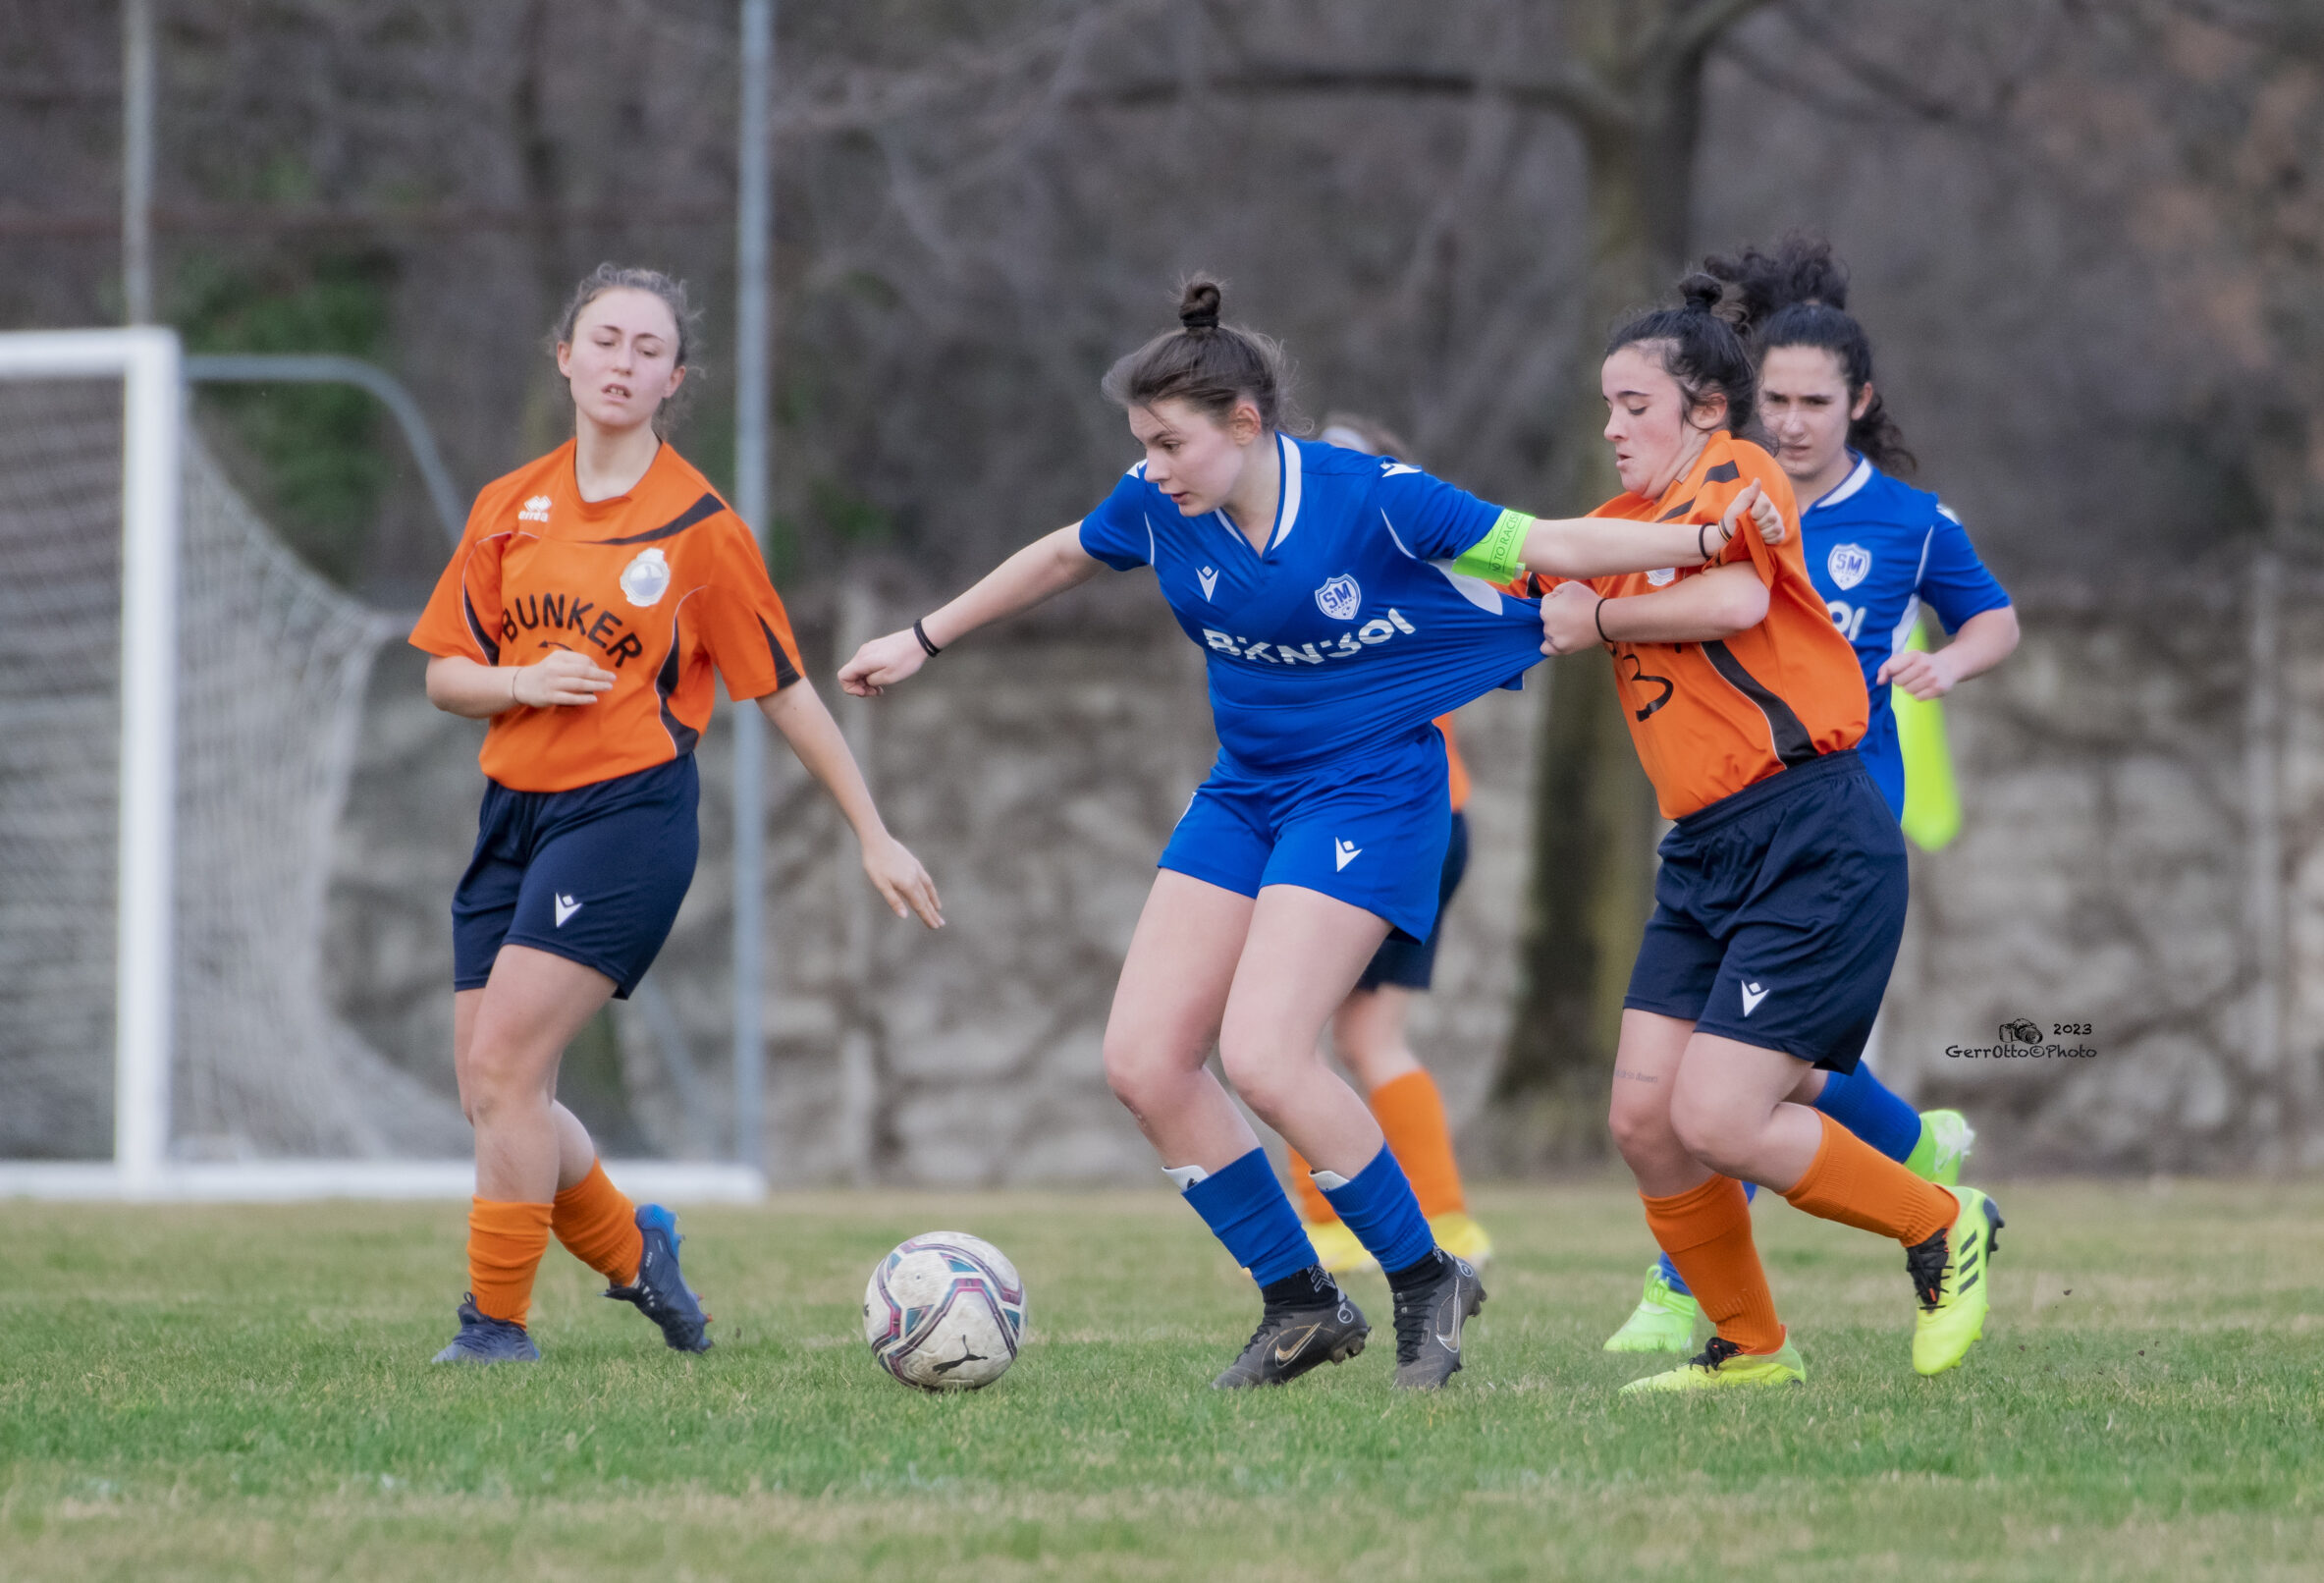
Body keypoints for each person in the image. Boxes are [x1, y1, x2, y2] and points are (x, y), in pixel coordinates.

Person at [838, 277, 1786, 1391]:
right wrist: (923, 637)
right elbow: (1059, 554)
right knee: (1142, 1062)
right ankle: (1300, 1303)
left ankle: (1426, 1273)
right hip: (1247, 790)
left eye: (1170, 443)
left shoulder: (1373, 499)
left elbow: (1551, 544)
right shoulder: (1158, 506)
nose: (1151, 467)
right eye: (1142, 444)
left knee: (1268, 1053)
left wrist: (1709, 532)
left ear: (1246, 423)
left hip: (1372, 790)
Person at [410, 263, 943, 1364]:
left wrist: (872, 831)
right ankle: (637, 1252)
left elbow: (786, 690)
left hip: (627, 818)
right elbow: (444, 675)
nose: (622, 362)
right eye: (604, 340)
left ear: (673, 380)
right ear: (565, 355)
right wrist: (521, 683)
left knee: (509, 1070)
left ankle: (493, 1330)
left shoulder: (701, 529)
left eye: (647, 349)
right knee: (492, 1090)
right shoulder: (509, 507)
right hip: (513, 811)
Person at [1534, 275, 2002, 1392]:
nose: (1609, 428)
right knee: (1645, 1120)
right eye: (1603, 406)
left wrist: (1596, 616)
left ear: (1704, 408)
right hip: (1702, 850)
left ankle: (1940, 1222)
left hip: (1812, 832)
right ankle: (1749, 1349)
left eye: (1632, 405)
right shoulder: (1613, 527)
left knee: (1721, 1113)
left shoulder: (1738, 474)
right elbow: (1520, 558)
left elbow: (1737, 601)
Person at [1282, 413, 1494, 1276]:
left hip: (1383, 821)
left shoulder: (1370, 565)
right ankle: (1445, 1221)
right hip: (1430, 815)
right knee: (1366, 1036)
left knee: (1285, 1030)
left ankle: (1328, 1224)